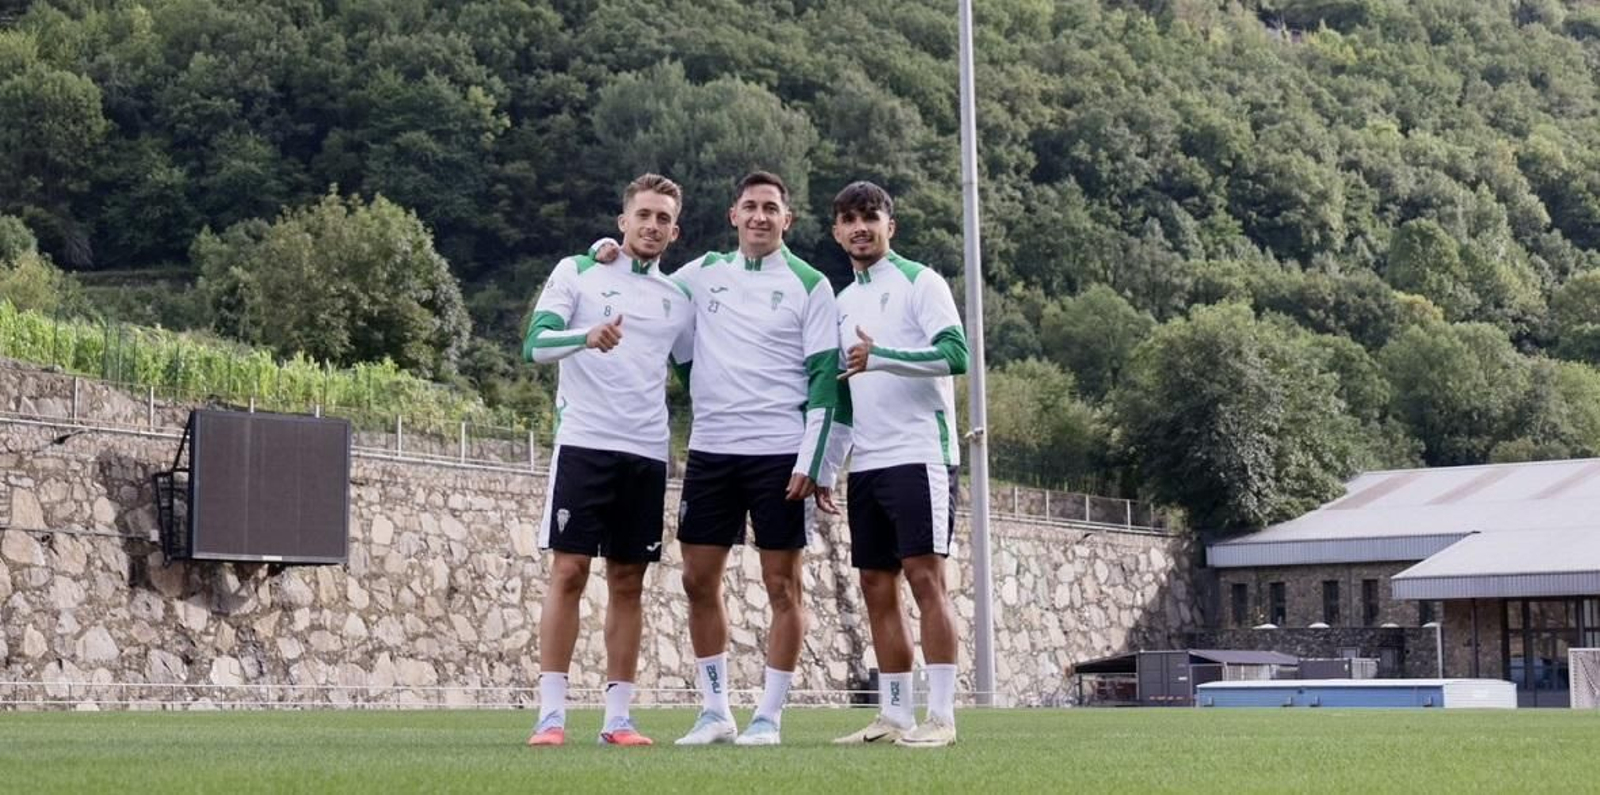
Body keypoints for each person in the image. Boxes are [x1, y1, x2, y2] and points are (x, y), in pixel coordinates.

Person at [594, 170, 843, 746]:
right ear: (733, 215)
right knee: (697, 579)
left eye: (771, 208)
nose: (760, 216)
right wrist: (601, 251)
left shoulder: (810, 284)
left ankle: (770, 717)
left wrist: (815, 458)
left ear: (788, 220)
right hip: (711, 451)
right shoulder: (701, 274)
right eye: (750, 207)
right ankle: (715, 712)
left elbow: (826, 380)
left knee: (783, 586)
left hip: (781, 453)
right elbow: (643, 283)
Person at [521, 173, 694, 747]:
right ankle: (551, 715)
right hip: (584, 443)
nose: (651, 226)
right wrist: (585, 337)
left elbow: (698, 372)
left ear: (675, 229)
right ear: (623, 221)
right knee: (568, 573)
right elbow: (535, 345)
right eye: (643, 214)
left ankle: (618, 718)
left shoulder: (678, 299)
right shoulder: (579, 270)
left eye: (663, 218)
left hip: (646, 452)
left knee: (628, 582)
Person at [827, 181, 968, 748]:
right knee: (874, 584)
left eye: (871, 217)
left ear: (891, 225)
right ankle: (895, 715)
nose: (861, 228)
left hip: (920, 453)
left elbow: (955, 354)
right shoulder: (841, 302)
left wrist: (882, 355)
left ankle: (942, 718)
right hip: (868, 462)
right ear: (837, 232)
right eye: (850, 220)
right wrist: (827, 467)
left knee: (924, 580)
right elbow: (838, 395)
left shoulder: (920, 282)